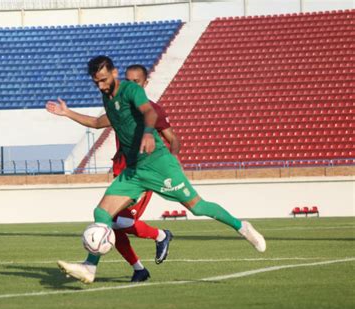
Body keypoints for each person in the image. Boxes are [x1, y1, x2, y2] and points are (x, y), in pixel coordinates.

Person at [47, 56, 266, 284]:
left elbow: (149, 113)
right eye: (96, 83)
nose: (101, 86)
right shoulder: (107, 98)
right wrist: (67, 113)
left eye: (103, 80)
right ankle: (89, 267)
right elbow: (96, 123)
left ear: (114, 73)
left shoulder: (131, 90)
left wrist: (149, 133)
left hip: (158, 163)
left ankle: (243, 227)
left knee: (198, 207)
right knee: (101, 214)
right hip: (133, 171)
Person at [109, 64, 183, 282]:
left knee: (118, 222)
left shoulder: (153, 110)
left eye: (137, 82)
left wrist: (173, 158)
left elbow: (173, 139)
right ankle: (139, 269)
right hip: (121, 172)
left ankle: (161, 235)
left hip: (144, 172)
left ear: (145, 84)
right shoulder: (118, 105)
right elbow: (96, 123)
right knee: (112, 225)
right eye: (128, 81)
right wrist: (66, 113)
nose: (132, 86)